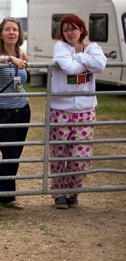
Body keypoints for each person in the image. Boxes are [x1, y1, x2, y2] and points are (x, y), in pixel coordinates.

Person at [49, 14, 106, 209]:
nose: (70, 32)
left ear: (82, 29)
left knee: (80, 157)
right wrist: (85, 61)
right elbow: (70, 69)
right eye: (66, 30)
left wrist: (79, 56)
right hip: (60, 109)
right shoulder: (60, 47)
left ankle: (73, 191)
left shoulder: (93, 47)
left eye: (73, 28)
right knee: (59, 154)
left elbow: (100, 65)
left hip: (85, 110)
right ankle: (59, 193)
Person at [0, 17, 30, 209]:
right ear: (1, 34)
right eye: (7, 29)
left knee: (15, 155)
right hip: (4, 112)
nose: (11, 33)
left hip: (23, 110)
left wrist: (22, 61)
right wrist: (9, 59)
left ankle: (8, 196)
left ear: (19, 34)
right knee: (10, 154)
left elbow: (24, 76)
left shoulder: (23, 54)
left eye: (15, 30)